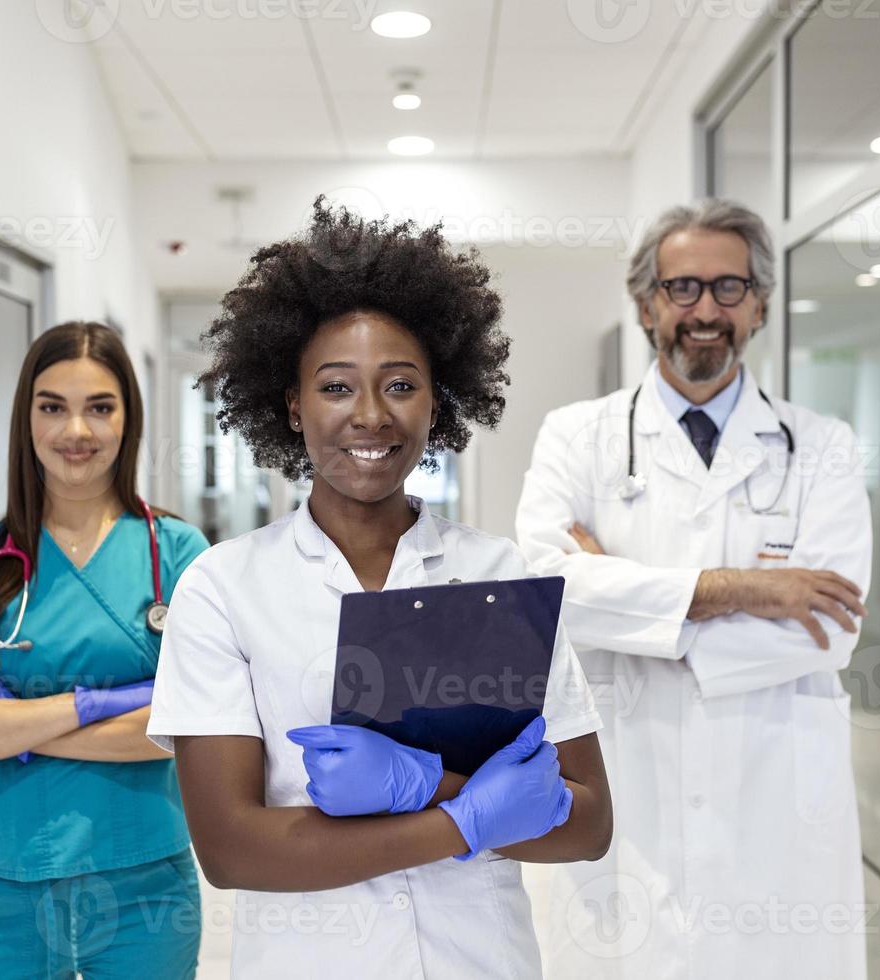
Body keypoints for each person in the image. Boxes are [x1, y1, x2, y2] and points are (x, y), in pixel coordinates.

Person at [147, 199, 613, 979]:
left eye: (400, 384)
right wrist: (467, 814)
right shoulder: (223, 589)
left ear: (438, 400)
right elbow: (230, 849)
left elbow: (587, 823)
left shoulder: (502, 578)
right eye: (335, 388)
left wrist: (426, 784)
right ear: (292, 407)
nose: (369, 415)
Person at [515, 199, 873, 979]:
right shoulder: (577, 436)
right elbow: (546, 591)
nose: (704, 310)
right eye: (682, 289)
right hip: (627, 778)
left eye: (728, 288)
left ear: (761, 304)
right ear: (646, 304)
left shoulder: (823, 448)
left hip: (773, 789)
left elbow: (832, 626)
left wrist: (628, 601)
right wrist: (742, 588)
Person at [0, 321, 207, 979]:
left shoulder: (180, 556)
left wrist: (11, 726)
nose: (76, 430)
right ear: (27, 418)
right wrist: (105, 705)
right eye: (53, 407)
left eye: (99, 407)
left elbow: (192, 727)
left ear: (128, 419)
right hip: (9, 884)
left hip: (146, 888)